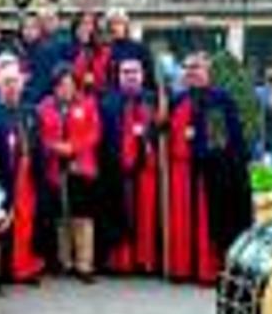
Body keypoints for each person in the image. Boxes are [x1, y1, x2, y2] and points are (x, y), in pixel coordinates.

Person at [167, 52, 253, 285]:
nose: (192, 72)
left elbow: (219, 142)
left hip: (210, 173)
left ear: (208, 71)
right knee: (184, 222)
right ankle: (182, 268)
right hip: (183, 174)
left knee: (209, 223)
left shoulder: (218, 99)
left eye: (197, 68)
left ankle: (208, 270)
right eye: (188, 68)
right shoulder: (177, 99)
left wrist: (196, 149)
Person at [0, 53, 45, 284]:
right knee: (1, 223)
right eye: (6, 82)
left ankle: (23, 266)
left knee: (26, 223)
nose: (11, 87)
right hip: (1, 177)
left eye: (15, 82)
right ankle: (1, 270)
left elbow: (38, 145)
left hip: (26, 177)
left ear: (21, 84)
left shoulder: (31, 112)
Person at [37, 68, 102, 282]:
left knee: (82, 215)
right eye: (61, 85)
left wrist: (73, 147)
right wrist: (56, 147)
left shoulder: (87, 104)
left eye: (70, 84)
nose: (66, 89)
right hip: (54, 167)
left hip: (81, 166)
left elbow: (94, 133)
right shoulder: (44, 107)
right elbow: (39, 135)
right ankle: (65, 261)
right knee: (61, 216)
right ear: (54, 86)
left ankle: (84, 264)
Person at [98, 59, 160, 275]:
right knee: (119, 214)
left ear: (142, 74)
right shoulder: (107, 102)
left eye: (134, 72)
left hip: (146, 170)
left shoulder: (154, 100)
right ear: (119, 76)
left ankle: (145, 261)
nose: (130, 76)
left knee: (145, 217)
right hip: (117, 170)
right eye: (125, 72)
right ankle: (120, 263)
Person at [65, 11, 113, 93]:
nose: (85, 28)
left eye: (89, 24)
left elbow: (109, 78)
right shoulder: (67, 50)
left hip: (99, 94)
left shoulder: (104, 51)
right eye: (82, 24)